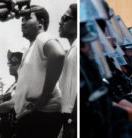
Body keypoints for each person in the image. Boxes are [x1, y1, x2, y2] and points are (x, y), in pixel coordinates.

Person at [13, 5, 65, 138]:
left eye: (27, 18)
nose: (22, 22)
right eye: (21, 19)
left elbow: (58, 54)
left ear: (40, 22)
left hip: (40, 116)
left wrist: (44, 97)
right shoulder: (32, 46)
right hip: (30, 117)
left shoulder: (42, 37)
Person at [0, 50, 23, 138]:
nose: (10, 65)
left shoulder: (24, 83)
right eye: (9, 63)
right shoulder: (13, 85)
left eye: (14, 62)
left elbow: (11, 105)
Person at [58, 3, 77, 138]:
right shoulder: (72, 50)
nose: (60, 22)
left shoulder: (76, 50)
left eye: (65, 18)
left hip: (72, 117)